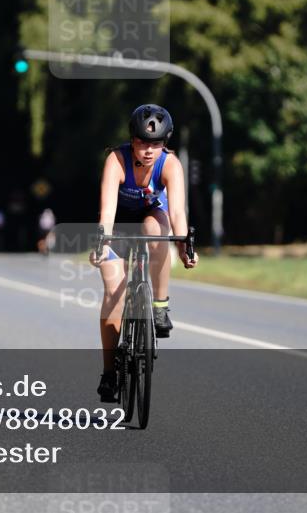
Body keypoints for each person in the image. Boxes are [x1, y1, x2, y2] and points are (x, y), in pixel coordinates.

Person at [88, 104, 198, 402]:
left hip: (151, 217)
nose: (148, 151)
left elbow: (177, 211)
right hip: (117, 225)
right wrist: (101, 243)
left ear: (165, 143)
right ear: (131, 139)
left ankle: (160, 306)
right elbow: (107, 209)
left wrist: (184, 244)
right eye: (142, 142)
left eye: (156, 144)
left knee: (156, 230)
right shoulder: (116, 160)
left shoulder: (170, 164)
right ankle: (109, 373)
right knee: (114, 294)